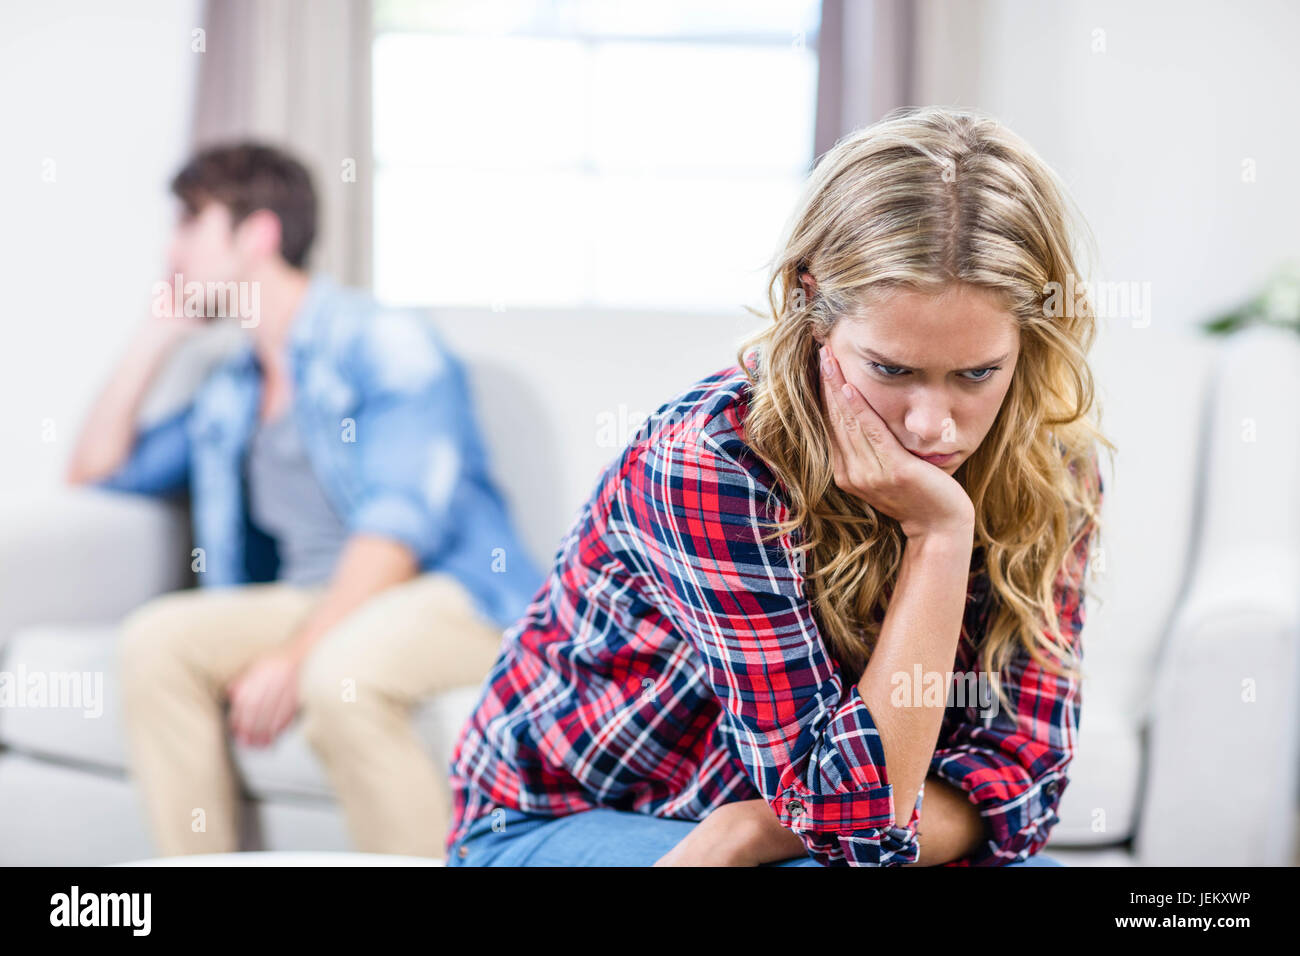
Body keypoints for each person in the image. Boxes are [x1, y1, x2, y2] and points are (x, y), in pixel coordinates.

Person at [444, 106, 1110, 867]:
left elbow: (1019, 785)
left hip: (782, 833)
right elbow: (852, 823)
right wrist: (939, 536)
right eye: (890, 369)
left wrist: (753, 830)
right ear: (810, 301)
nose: (932, 427)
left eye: (976, 374)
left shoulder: (1052, 467)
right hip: (560, 819)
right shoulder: (710, 461)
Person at [66, 142, 543, 857]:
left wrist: (293, 657)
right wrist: (155, 335)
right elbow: (96, 474)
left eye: (189, 223)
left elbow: (397, 530)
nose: (172, 249)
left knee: (338, 676)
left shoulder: (383, 339)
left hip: (455, 594)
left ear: (255, 234)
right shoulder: (233, 391)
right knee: (156, 641)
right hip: (322, 595)